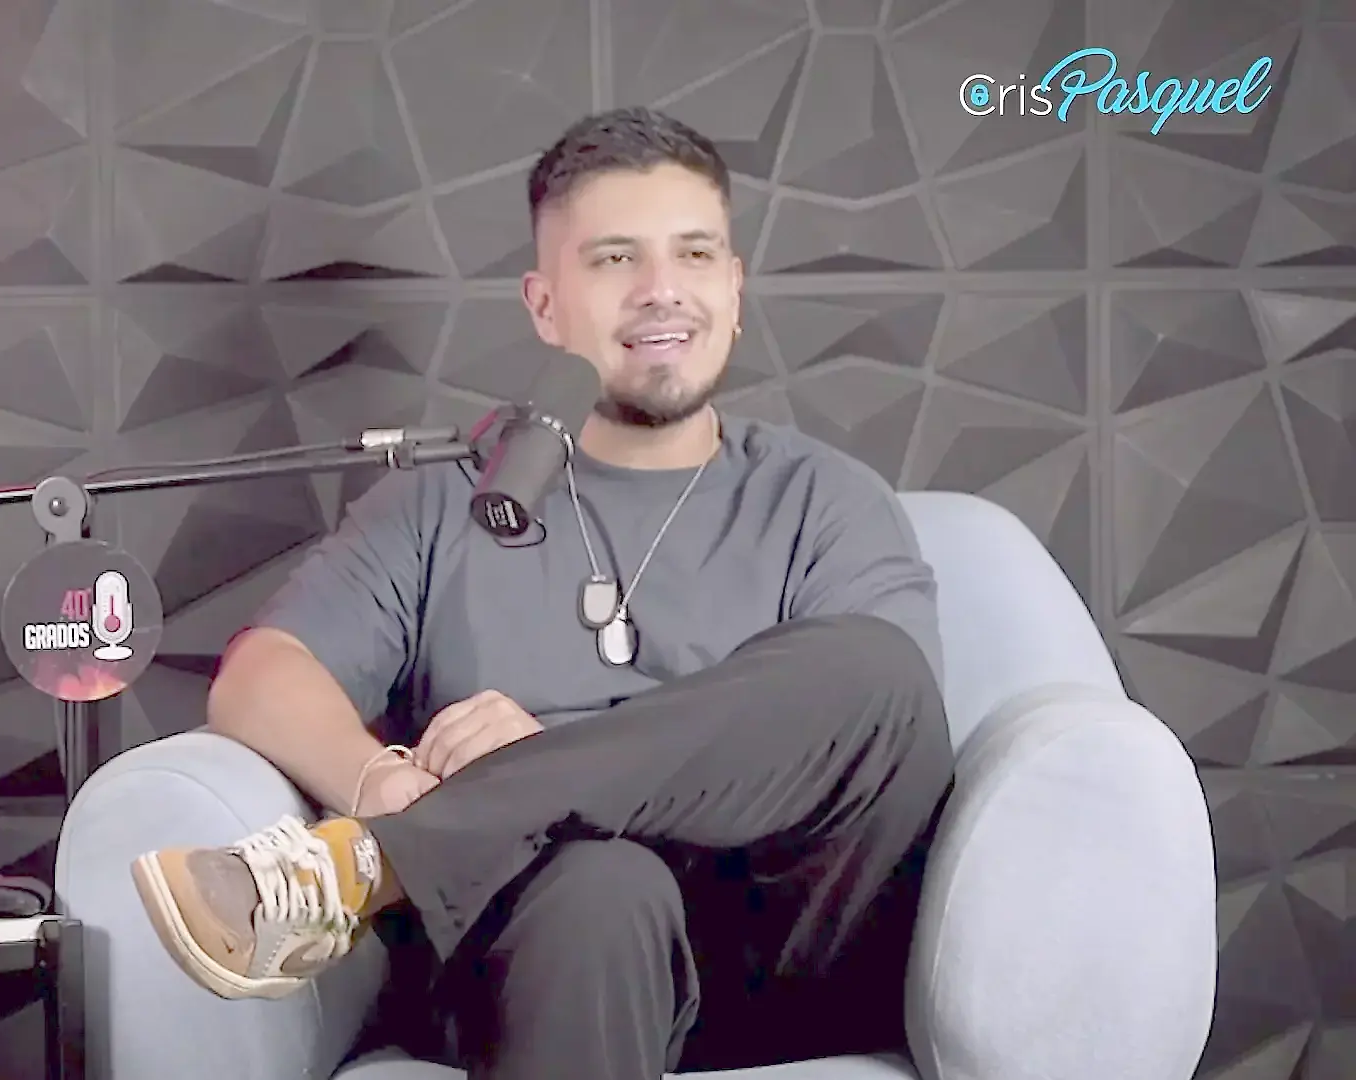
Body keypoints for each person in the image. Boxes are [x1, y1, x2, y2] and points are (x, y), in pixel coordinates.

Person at [128, 107, 956, 1079]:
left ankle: (380, 860)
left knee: (877, 665)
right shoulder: (444, 498)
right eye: (614, 259)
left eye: (694, 254)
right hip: (547, 951)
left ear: (734, 290)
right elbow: (262, 673)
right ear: (545, 306)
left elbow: (880, 729)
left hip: (782, 949)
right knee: (599, 885)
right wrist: (377, 782)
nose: (661, 290)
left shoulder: (824, 498)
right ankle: (399, 842)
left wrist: (527, 771)